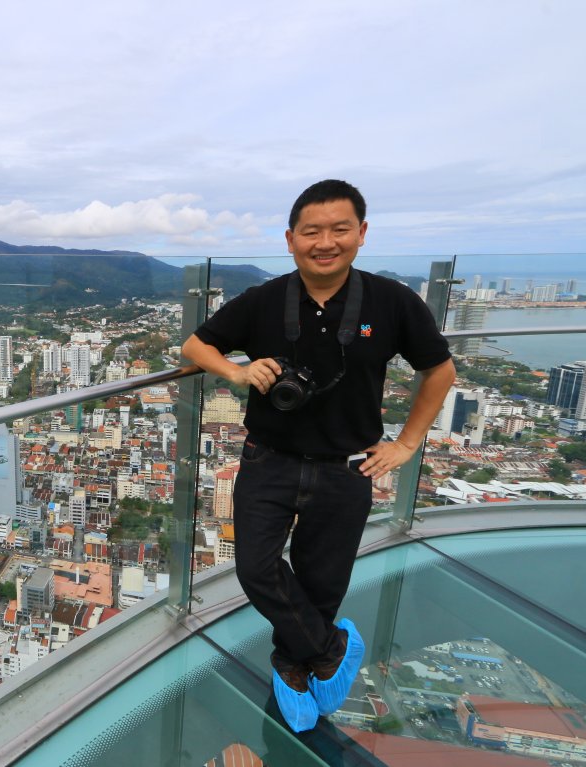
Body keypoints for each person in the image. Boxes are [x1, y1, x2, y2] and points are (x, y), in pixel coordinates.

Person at [181, 180, 455, 732]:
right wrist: (237, 370)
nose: (325, 242)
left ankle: (291, 666)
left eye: (339, 229)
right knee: (256, 569)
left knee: (321, 584)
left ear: (361, 233)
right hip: (268, 459)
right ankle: (329, 648)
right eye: (311, 231)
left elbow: (440, 371)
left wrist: (406, 444)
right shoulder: (264, 299)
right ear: (290, 239)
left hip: (347, 465)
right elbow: (194, 346)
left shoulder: (392, 300)